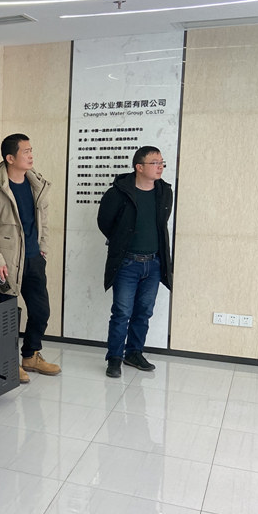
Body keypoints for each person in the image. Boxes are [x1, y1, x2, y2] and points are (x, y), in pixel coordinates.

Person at [0, 133, 60, 383]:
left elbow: (43, 222)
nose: (31, 155)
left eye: (31, 150)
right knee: (8, 316)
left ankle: (31, 355)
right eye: (26, 151)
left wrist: (43, 248)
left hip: (34, 259)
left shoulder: (36, 185)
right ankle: (9, 363)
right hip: (7, 263)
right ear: (10, 158)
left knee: (41, 311)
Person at [97, 146, 174, 378]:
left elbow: (161, 224)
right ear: (139, 167)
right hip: (127, 263)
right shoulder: (118, 193)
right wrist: (121, 241)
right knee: (121, 312)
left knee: (144, 311)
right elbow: (104, 222)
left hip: (154, 263)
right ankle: (114, 358)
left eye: (162, 162)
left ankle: (134, 352)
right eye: (155, 163)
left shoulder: (164, 192)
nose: (160, 167)